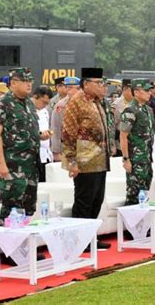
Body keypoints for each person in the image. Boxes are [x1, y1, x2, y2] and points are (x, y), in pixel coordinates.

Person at [0, 68, 51, 224]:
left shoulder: (29, 104)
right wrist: (1, 163)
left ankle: (26, 246)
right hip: (12, 164)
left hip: (31, 164)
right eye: (25, 81)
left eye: (30, 81)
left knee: (29, 207)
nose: (29, 84)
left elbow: (24, 130)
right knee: (11, 208)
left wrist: (39, 135)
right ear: (14, 83)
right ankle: (7, 246)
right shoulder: (2, 103)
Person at [62, 67, 111, 249]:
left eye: (102, 83)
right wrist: (72, 161)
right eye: (98, 83)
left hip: (100, 159)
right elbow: (68, 132)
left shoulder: (98, 102)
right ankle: (79, 240)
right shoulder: (76, 102)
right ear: (86, 84)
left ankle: (90, 237)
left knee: (97, 199)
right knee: (84, 200)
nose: (101, 86)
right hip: (84, 160)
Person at [119, 79, 155, 205]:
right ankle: (128, 223)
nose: (149, 93)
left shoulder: (148, 110)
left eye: (149, 90)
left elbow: (150, 129)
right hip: (135, 160)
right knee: (133, 196)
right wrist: (125, 159)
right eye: (146, 90)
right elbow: (123, 136)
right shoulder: (130, 110)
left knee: (144, 194)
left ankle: (143, 224)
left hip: (147, 158)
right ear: (136, 92)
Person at [50, 77, 81, 162]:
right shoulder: (61, 106)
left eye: (72, 88)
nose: (68, 90)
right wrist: (56, 151)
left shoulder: (86, 103)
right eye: (68, 87)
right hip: (67, 148)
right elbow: (55, 128)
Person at [31, 86, 54, 182]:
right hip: (33, 154)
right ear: (35, 97)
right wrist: (39, 135)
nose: (45, 105)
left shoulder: (45, 111)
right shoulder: (26, 110)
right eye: (44, 102)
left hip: (46, 154)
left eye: (47, 103)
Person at [111, 79, 133, 157]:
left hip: (135, 144)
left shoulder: (135, 102)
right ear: (125, 89)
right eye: (132, 90)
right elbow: (112, 126)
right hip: (120, 144)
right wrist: (112, 144)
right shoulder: (116, 105)